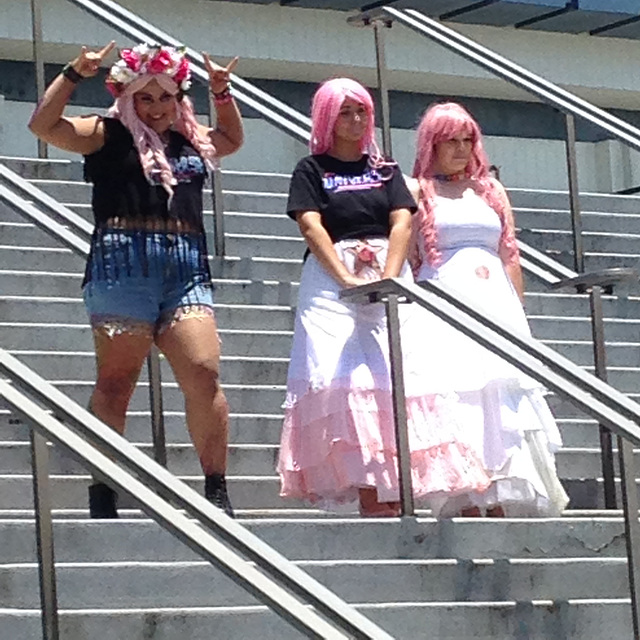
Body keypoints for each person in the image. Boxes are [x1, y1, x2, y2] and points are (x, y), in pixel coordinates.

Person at [29, 42, 243, 518]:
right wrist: (73, 73)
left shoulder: (192, 138)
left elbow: (231, 139)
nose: (156, 107)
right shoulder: (107, 132)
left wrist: (222, 93)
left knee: (204, 372)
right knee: (116, 381)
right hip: (123, 264)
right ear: (128, 96)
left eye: (165, 96)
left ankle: (216, 488)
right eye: (145, 98)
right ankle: (103, 488)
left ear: (178, 97)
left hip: (185, 264)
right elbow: (43, 126)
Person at [277, 79, 491, 517]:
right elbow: (311, 225)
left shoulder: (385, 169)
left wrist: (388, 278)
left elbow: (402, 222)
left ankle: (396, 488)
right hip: (330, 279)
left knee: (399, 378)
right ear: (326, 117)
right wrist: (346, 281)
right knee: (342, 379)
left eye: (362, 111)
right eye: (345, 112)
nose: (356, 121)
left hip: (388, 275)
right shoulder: (311, 169)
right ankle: (367, 491)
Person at [407, 101, 569, 517]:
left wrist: (518, 310)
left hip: (496, 300)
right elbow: (410, 256)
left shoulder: (491, 191)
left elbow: (509, 253)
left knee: (502, 400)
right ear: (432, 144)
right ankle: (464, 499)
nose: (461, 149)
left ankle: (499, 498)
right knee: (458, 398)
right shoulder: (416, 190)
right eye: (450, 141)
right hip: (443, 303)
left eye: (468, 140)